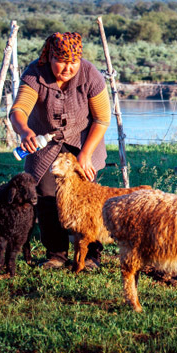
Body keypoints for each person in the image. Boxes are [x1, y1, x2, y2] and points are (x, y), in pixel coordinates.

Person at [9, 32, 110, 269]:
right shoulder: (35, 73)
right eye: (61, 61)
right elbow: (18, 111)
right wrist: (24, 132)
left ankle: (90, 254)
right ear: (49, 56)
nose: (68, 68)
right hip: (45, 144)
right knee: (46, 195)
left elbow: (102, 119)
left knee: (88, 199)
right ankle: (56, 254)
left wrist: (85, 156)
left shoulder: (90, 74)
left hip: (84, 143)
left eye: (73, 62)